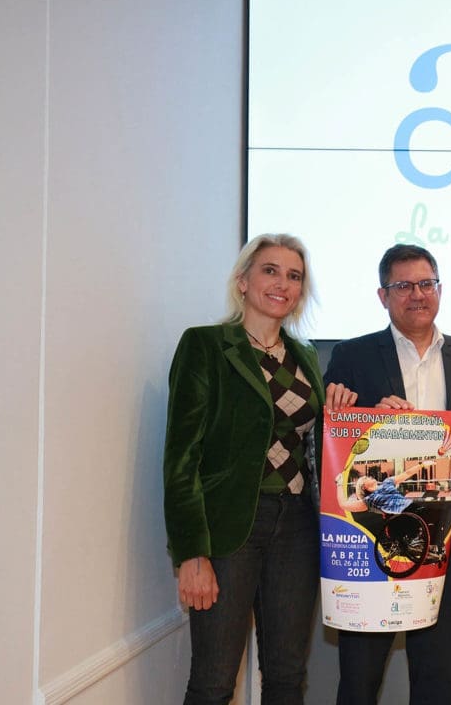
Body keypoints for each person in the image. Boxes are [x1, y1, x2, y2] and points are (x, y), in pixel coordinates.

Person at [163, 233, 352, 704]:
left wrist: (344, 414)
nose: (282, 284)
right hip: (231, 530)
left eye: (294, 276)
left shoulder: (306, 357)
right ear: (243, 281)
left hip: (298, 527)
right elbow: (181, 457)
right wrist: (192, 553)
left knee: (287, 677)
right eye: (270, 270)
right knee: (213, 682)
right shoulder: (206, 345)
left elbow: (308, 442)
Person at [323, 243, 451, 705]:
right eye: (403, 286)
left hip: (443, 537)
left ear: (440, 289)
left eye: (426, 284)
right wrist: (369, 421)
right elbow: (331, 448)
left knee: (435, 673)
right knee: (360, 676)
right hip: (372, 538)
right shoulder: (352, 356)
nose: (417, 294)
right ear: (383, 296)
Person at [339, 461, 429, 514]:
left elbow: (407, 473)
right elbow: (344, 505)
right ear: (363, 487)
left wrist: (421, 465)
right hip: (403, 515)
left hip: (413, 507)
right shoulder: (369, 500)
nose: (369, 476)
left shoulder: (387, 482)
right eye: (365, 478)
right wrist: (339, 484)